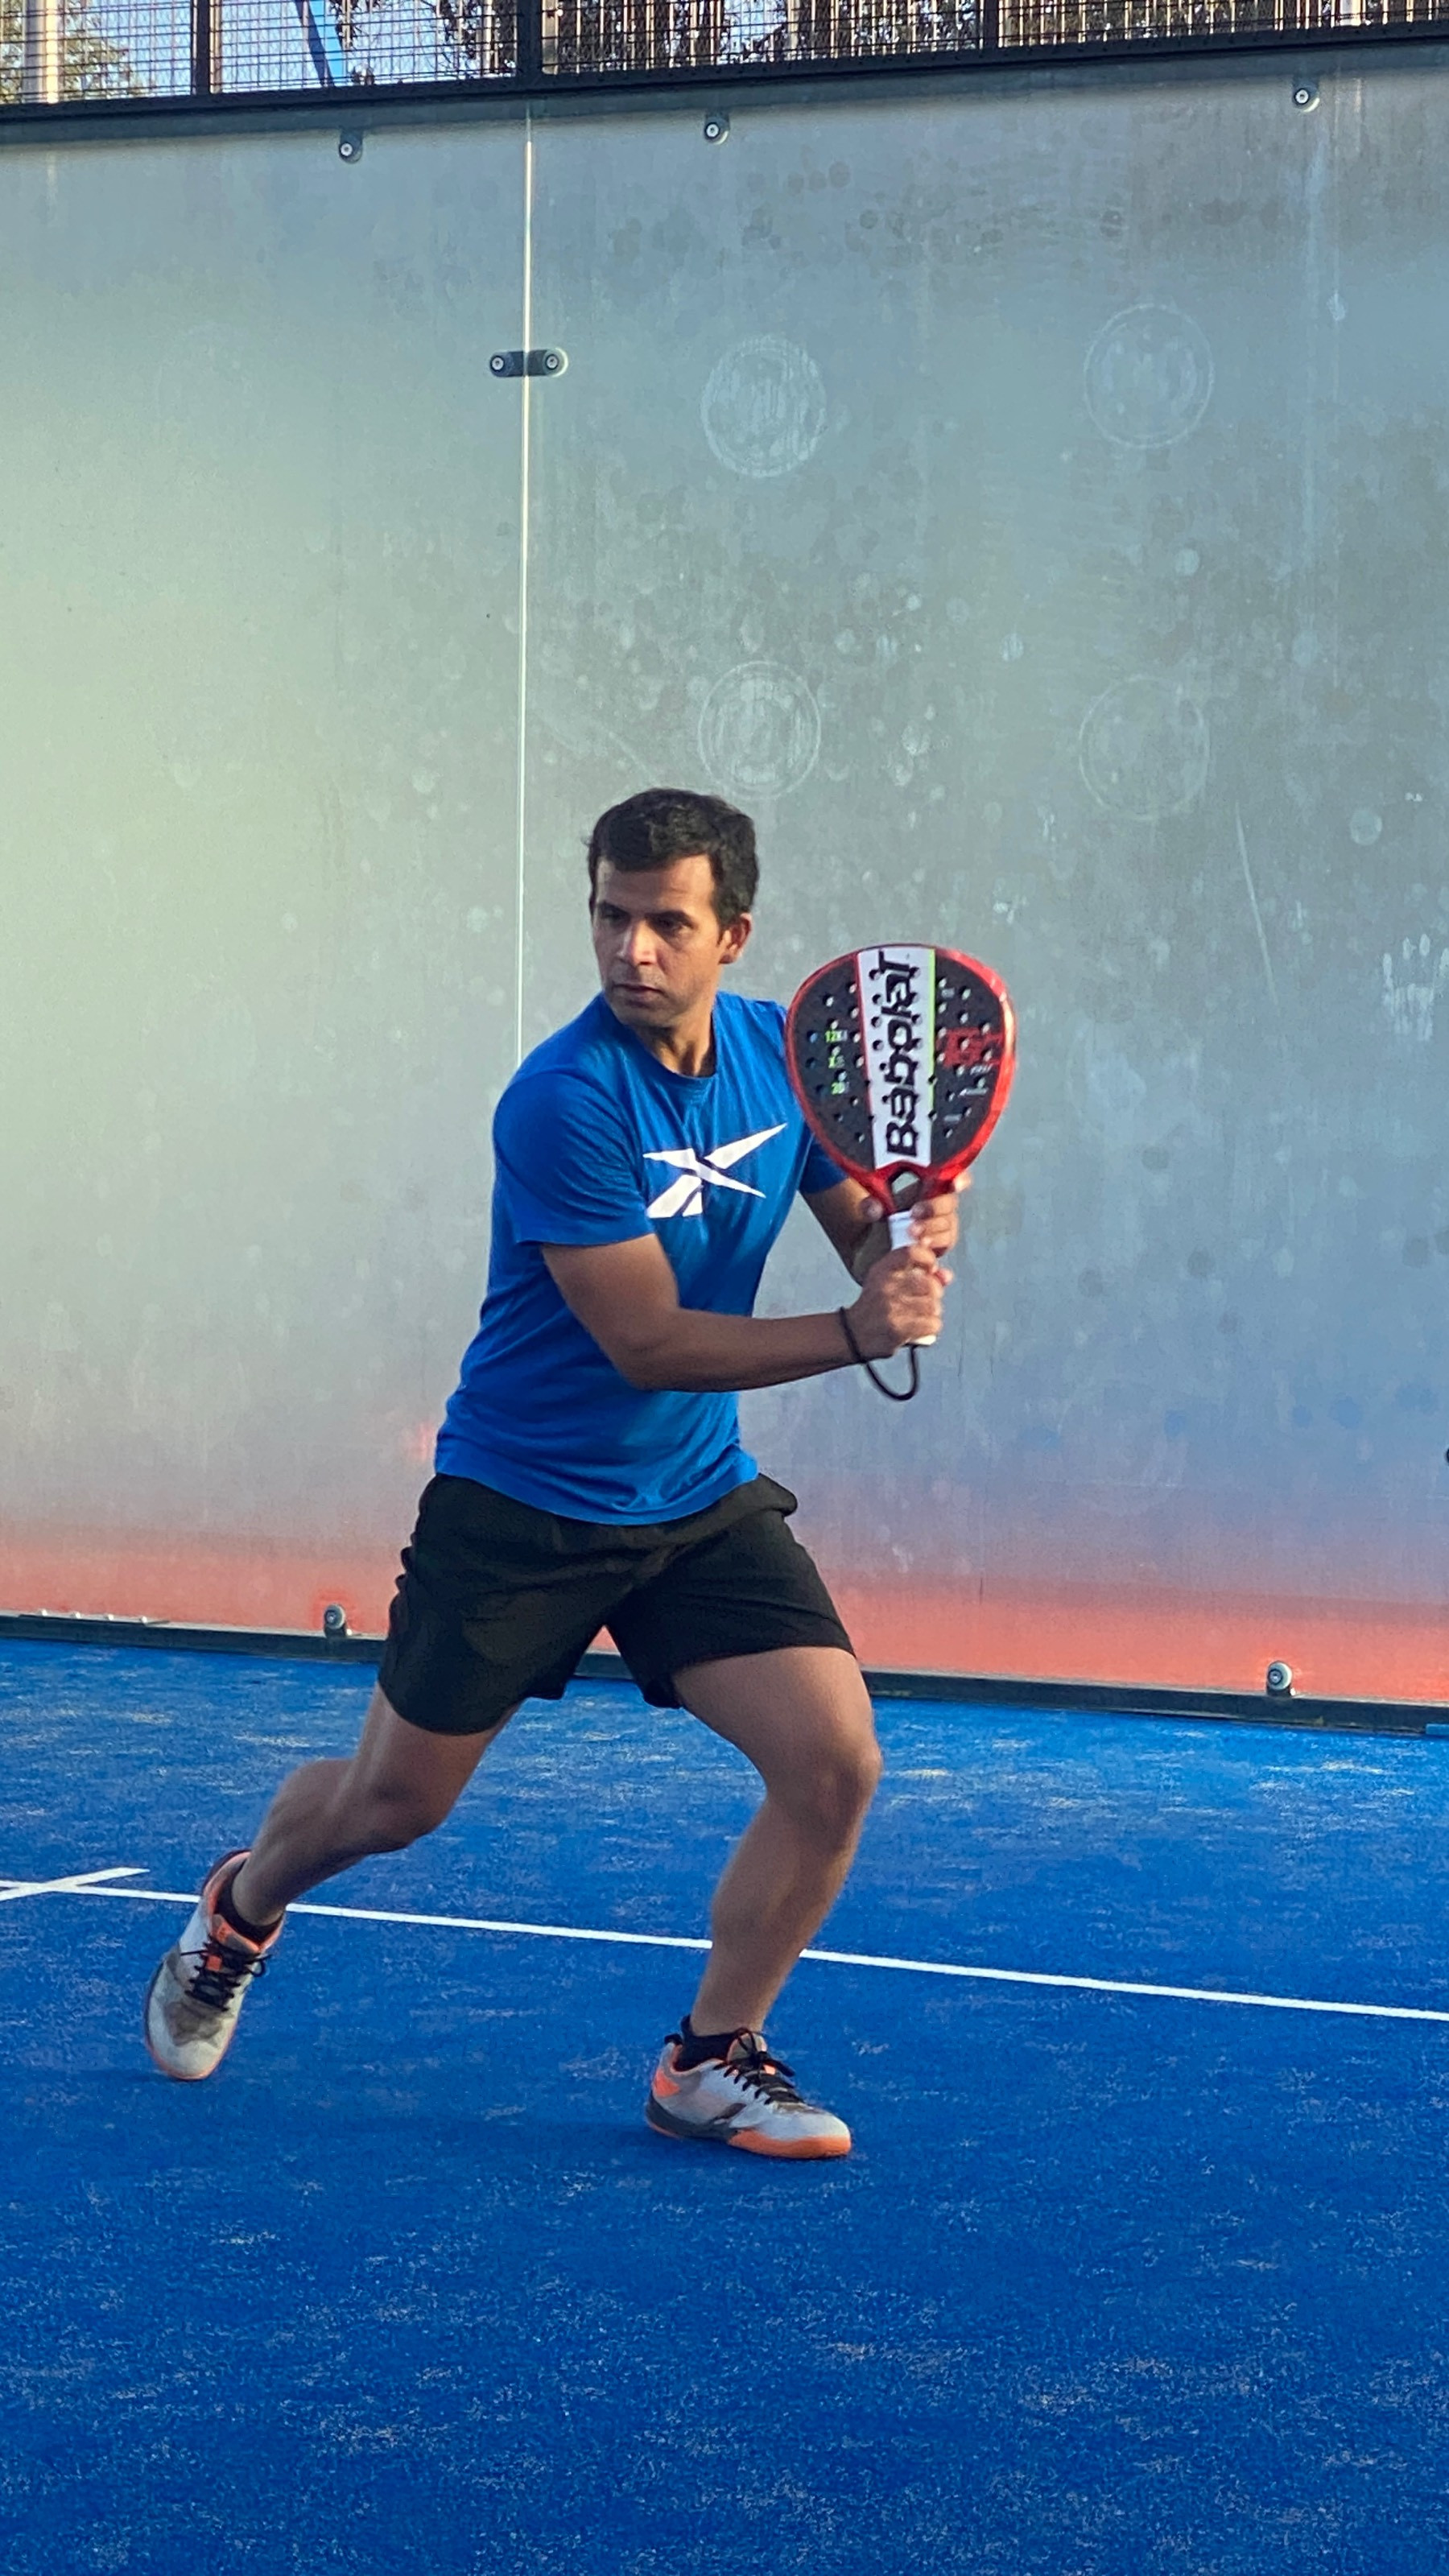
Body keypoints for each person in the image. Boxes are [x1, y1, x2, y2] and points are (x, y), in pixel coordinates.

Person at [144, 788, 960, 2159]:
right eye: (611, 916)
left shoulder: (780, 1060)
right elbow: (646, 1341)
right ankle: (243, 1906)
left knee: (834, 1766)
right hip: (519, 1505)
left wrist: (908, 1249)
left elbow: (859, 1237)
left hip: (692, 1500)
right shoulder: (562, 1101)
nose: (633, 949)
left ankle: (708, 2060)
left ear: (734, 935)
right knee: (390, 1806)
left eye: (668, 923)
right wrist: (854, 1331)